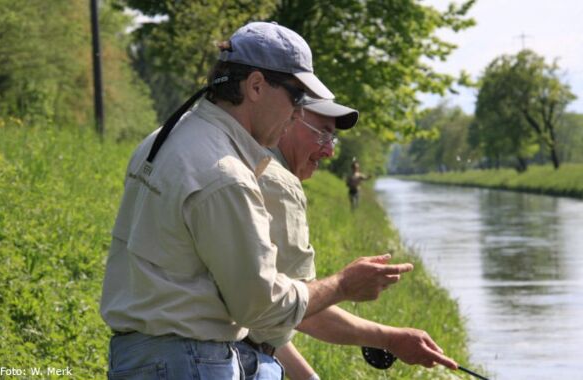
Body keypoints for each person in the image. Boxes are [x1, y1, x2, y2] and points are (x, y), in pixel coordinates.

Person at [100, 21, 414, 380]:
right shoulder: (226, 174)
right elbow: (261, 309)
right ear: (256, 86)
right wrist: (343, 285)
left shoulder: (163, 139)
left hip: (138, 358)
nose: (298, 112)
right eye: (296, 97)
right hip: (189, 362)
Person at [244, 97, 458, 379]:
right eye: (322, 133)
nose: (330, 150)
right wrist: (389, 337)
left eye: (333, 138)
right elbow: (292, 307)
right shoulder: (278, 184)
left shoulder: (242, 158)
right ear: (289, 118)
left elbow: (261, 323)